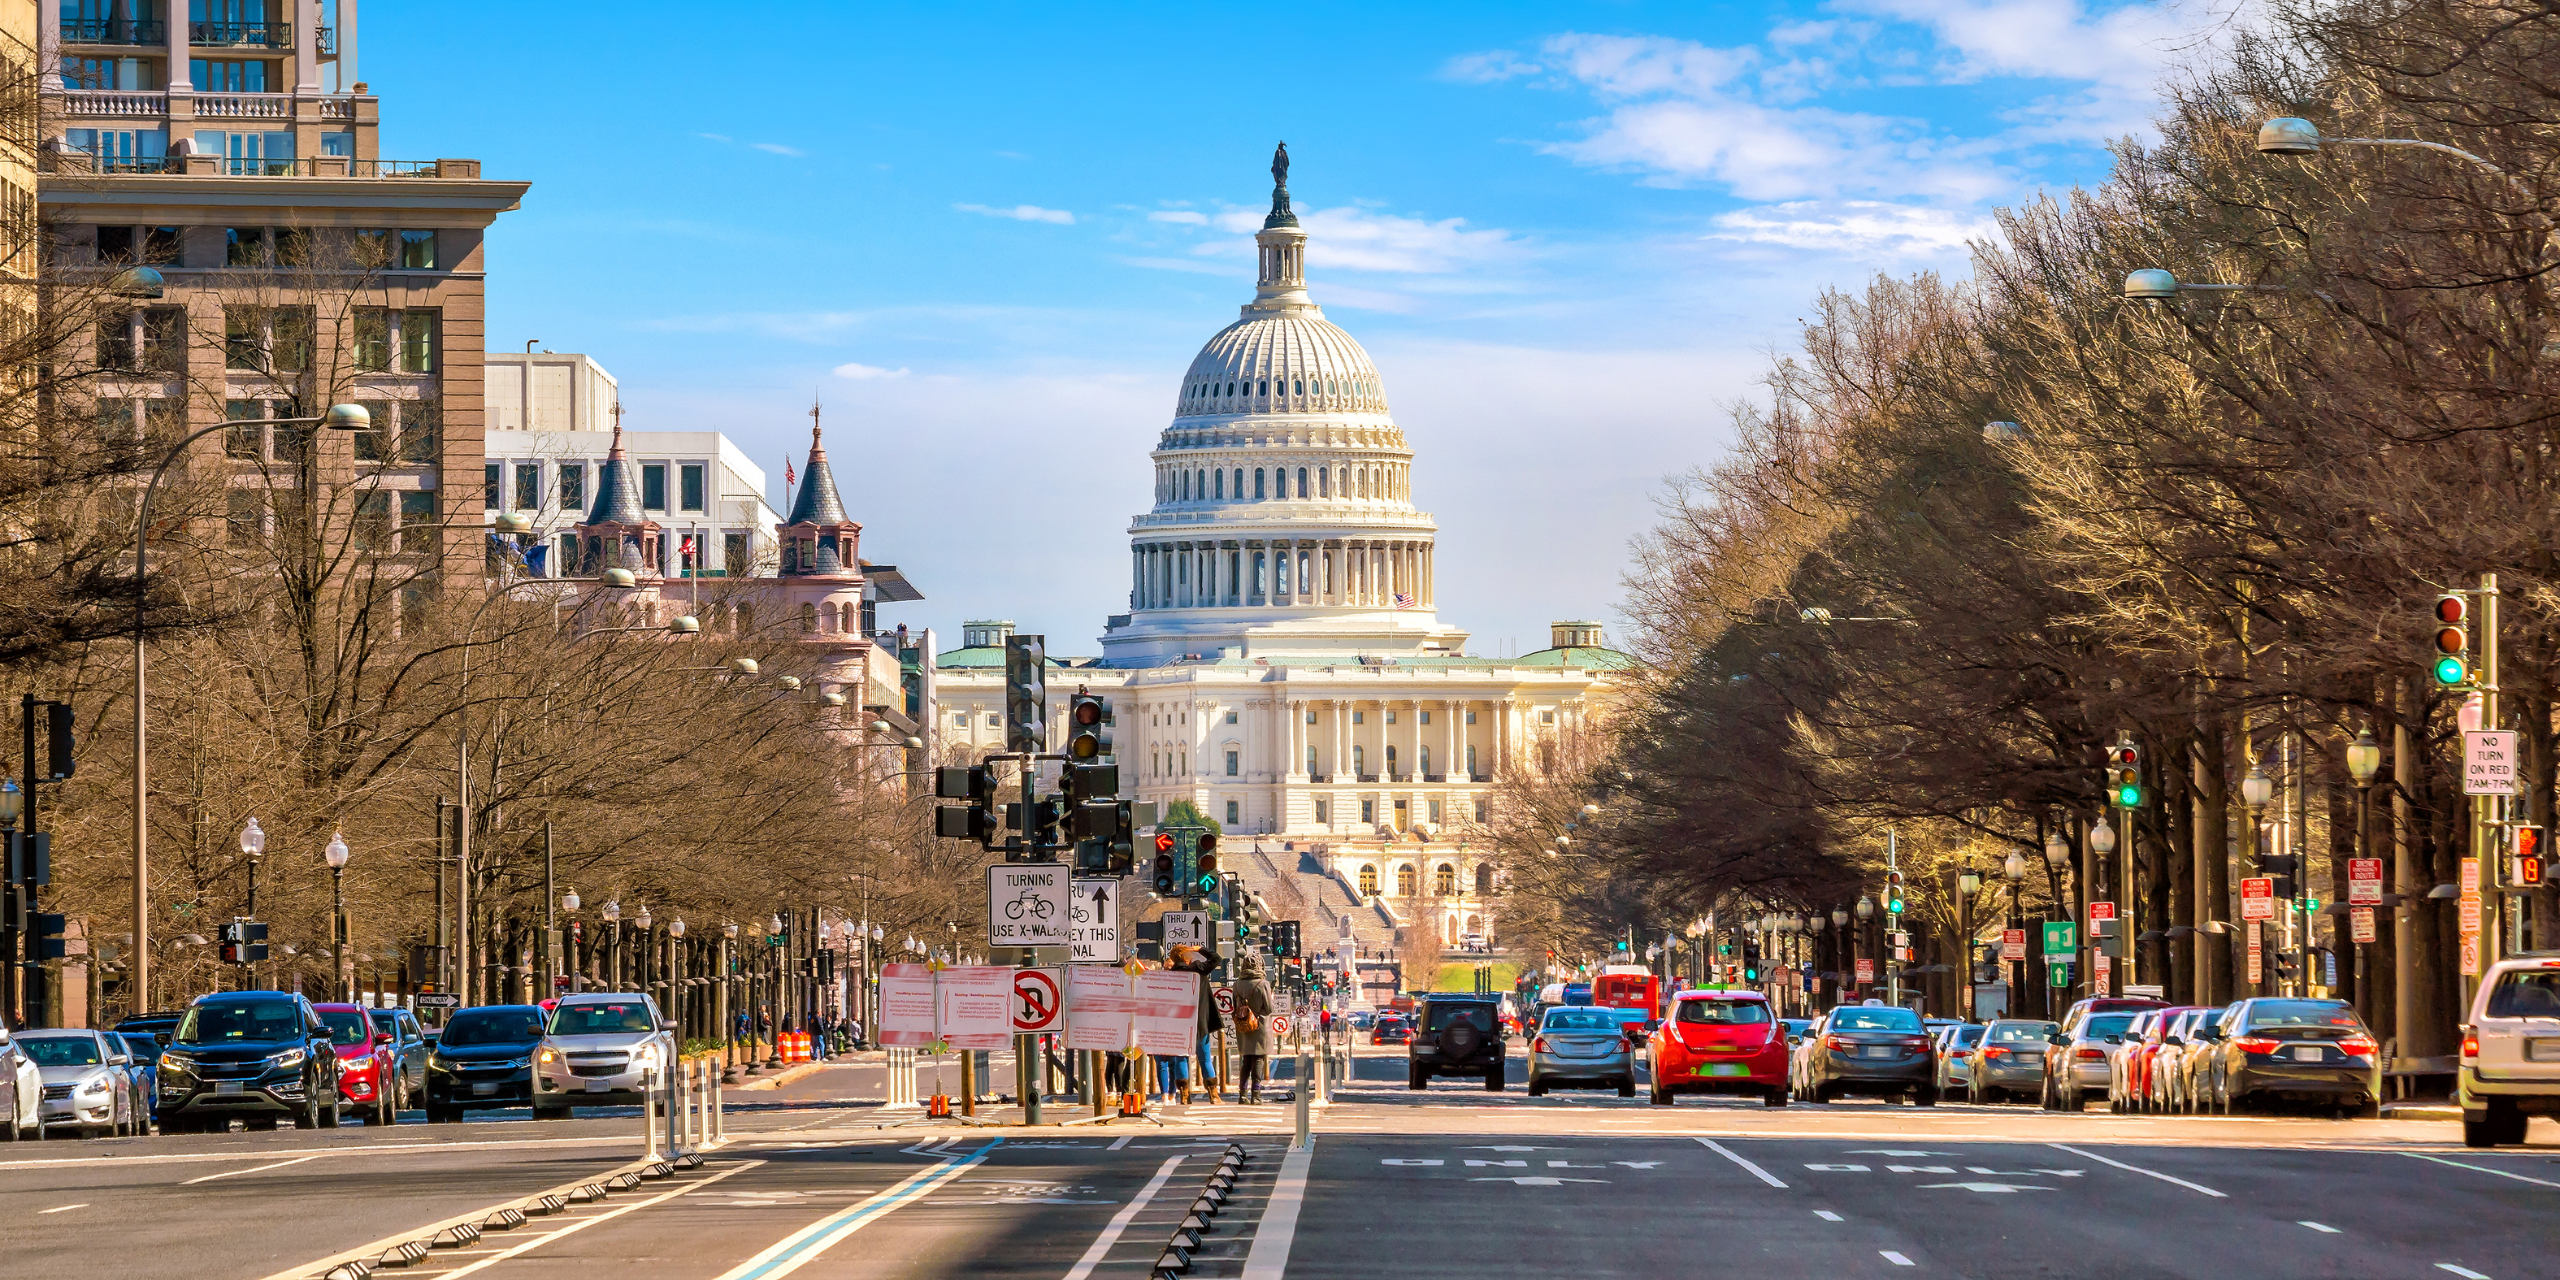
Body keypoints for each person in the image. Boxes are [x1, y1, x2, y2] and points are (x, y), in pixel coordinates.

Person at [1170, 944, 1224, 1104]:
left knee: (1181, 1057)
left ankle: (1184, 1096)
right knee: (1205, 1058)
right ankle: (1213, 1095)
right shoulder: (1198, 970)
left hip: (1179, 1023)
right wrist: (1200, 949)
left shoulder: (1170, 976)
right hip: (1200, 1022)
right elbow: (1216, 958)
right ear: (1186, 957)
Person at [1234, 953, 1275, 1102]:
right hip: (1259, 1026)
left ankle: (1242, 1093)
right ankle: (1256, 1094)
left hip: (1243, 1025)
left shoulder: (1237, 984)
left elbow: (1234, 1006)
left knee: (1246, 1060)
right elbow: (1269, 1009)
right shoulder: (1263, 984)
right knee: (1258, 1058)